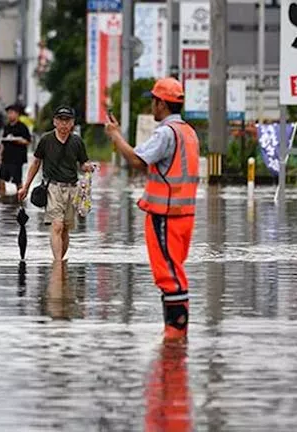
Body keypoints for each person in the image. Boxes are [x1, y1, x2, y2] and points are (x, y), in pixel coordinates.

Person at [104, 77, 200, 341]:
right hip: (184, 215)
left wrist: (115, 136)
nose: (151, 107)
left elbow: (137, 159)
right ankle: (176, 334)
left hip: (165, 215)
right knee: (174, 269)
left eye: (153, 102)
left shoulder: (166, 133)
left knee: (168, 273)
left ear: (161, 103)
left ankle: (175, 333)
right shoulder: (188, 132)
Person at [18, 106, 94, 261]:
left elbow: (83, 162)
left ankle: (60, 261)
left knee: (65, 228)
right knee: (57, 225)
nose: (64, 124)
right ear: (55, 122)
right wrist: (26, 186)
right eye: (61, 120)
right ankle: (57, 263)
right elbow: (36, 163)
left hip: (72, 188)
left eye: (67, 120)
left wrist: (88, 167)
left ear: (72, 123)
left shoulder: (77, 141)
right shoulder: (46, 140)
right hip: (52, 187)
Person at [0, 104, 32, 196]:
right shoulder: (7, 126)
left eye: (11, 113)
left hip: (17, 159)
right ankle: (2, 197)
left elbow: (28, 141)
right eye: (8, 113)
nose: (9, 115)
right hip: (6, 157)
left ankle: (21, 197)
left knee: (17, 180)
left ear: (17, 114)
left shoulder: (22, 127)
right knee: (1, 179)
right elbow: (3, 142)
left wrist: (18, 140)